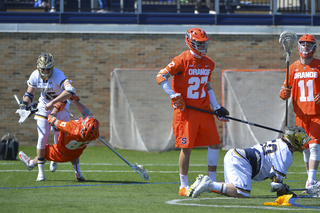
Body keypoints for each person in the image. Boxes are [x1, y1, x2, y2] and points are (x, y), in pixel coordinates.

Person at [156, 27, 229, 196]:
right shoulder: (182, 60)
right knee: (186, 147)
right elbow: (161, 76)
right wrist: (173, 95)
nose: (203, 48)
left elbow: (207, 86)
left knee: (215, 143)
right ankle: (183, 185)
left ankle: (211, 181)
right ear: (190, 42)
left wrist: (216, 107)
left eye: (204, 44)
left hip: (204, 110)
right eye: (199, 44)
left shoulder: (209, 63)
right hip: (186, 111)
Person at [188, 126, 317, 198]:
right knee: (242, 193)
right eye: (300, 137)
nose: (303, 141)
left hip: (235, 155)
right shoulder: (286, 154)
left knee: (232, 191)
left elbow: (274, 178)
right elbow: (276, 186)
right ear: (292, 140)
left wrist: (282, 187)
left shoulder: (279, 143)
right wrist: (287, 192)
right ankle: (208, 185)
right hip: (242, 160)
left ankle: (205, 184)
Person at [18, 53, 75, 181]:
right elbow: (29, 94)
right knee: (42, 137)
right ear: (39, 68)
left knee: (59, 137)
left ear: (52, 67)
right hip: (44, 106)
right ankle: (41, 173)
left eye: (48, 69)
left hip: (61, 107)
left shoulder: (58, 74)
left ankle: (49, 160)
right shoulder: (35, 75)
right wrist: (24, 104)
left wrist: (67, 86)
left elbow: (69, 89)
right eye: (43, 69)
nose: (45, 71)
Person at [19, 98, 100, 181]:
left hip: (61, 153)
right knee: (75, 150)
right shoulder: (95, 134)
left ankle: (31, 164)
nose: (86, 118)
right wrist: (75, 101)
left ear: (83, 127)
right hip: (75, 153)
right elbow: (86, 113)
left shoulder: (71, 128)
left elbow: (51, 120)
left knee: (43, 151)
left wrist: (56, 108)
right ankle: (78, 172)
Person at [279, 34, 320, 192]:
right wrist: (284, 93)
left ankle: (311, 180)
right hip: (300, 112)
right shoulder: (293, 67)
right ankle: (310, 178)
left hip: (317, 113)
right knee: (306, 147)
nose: (305, 48)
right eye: (303, 45)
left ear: (314, 48)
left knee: (315, 145)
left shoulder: (318, 65)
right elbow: (284, 89)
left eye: (308, 45)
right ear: (298, 47)